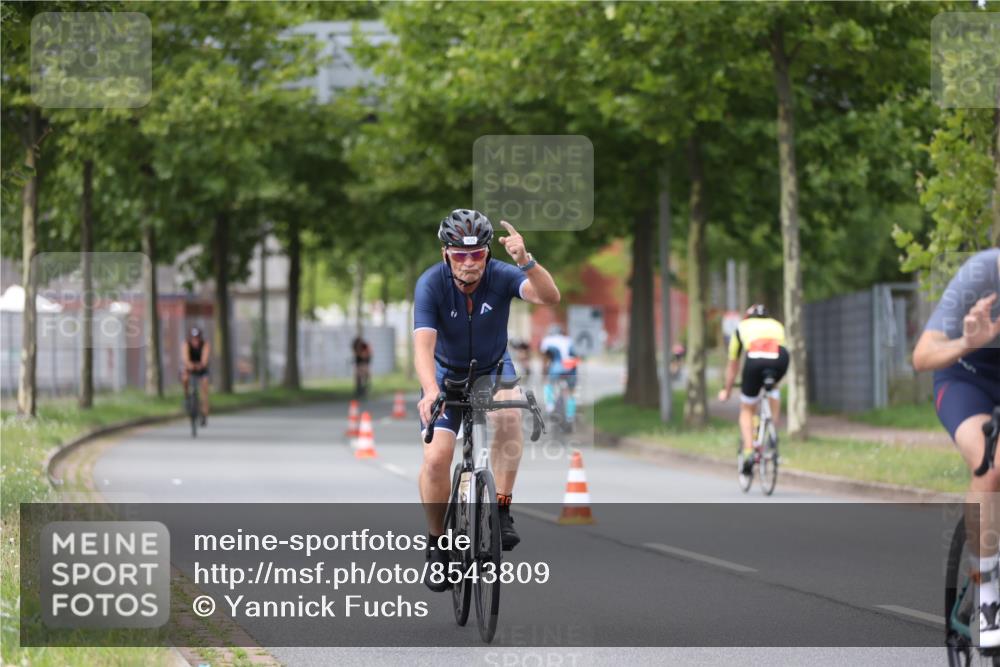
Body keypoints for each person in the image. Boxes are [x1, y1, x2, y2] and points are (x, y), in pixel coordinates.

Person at [414, 209, 560, 592]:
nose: (469, 263)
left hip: (494, 367)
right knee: (436, 459)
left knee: (510, 415)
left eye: (477, 254)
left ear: (487, 253)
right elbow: (423, 347)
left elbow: (549, 297)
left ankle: (502, 508)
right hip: (445, 375)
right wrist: (430, 389)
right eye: (460, 255)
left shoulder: (502, 275)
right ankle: (436, 545)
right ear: (446, 253)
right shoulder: (431, 284)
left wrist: (526, 261)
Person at [913, 248, 1000, 645]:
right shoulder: (981, 273)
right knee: (991, 464)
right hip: (966, 381)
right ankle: (987, 593)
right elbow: (922, 356)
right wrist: (966, 341)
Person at [716, 304, 789, 470]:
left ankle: (749, 452)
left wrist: (727, 390)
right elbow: (783, 350)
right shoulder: (777, 325)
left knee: (747, 409)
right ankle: (772, 431)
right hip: (780, 359)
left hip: (755, 359)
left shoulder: (742, 326)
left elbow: (733, 364)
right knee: (773, 387)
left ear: (747, 317)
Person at [539, 325, 580, 427]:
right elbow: (575, 355)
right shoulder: (569, 340)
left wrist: (543, 373)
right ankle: (570, 416)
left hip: (557, 366)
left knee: (548, 383)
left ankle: (550, 406)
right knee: (571, 392)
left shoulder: (547, 340)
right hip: (571, 366)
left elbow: (545, 359)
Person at [182, 327, 211, 426]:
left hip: (201, 368)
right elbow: (185, 358)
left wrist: (201, 364)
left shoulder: (205, 344)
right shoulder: (186, 344)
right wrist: (190, 365)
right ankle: (186, 397)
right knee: (185, 378)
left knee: (205, 385)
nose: (196, 341)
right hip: (190, 367)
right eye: (194, 338)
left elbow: (205, 358)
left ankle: (204, 413)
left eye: (197, 338)